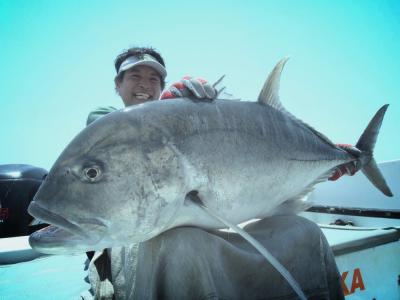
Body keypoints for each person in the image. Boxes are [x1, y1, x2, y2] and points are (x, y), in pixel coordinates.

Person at [82, 46, 349, 300]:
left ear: (162, 86)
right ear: (117, 85)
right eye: (134, 76)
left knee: (304, 231)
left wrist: (327, 161)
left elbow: (245, 158)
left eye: (154, 78)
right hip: (130, 236)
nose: (144, 84)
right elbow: (119, 134)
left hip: (191, 220)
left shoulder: (180, 125)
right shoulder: (103, 121)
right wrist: (168, 109)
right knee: (183, 247)